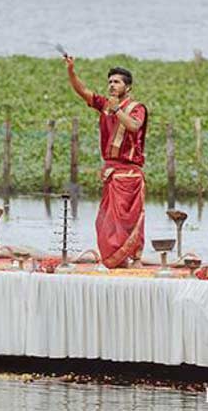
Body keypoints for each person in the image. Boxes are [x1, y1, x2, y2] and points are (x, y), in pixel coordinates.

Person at [64, 56, 148, 268]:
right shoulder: (104, 105)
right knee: (106, 221)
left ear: (127, 87)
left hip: (129, 173)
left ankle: (135, 258)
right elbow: (82, 91)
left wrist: (117, 109)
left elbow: (134, 127)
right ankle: (114, 260)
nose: (112, 85)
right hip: (111, 172)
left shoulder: (137, 107)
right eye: (110, 81)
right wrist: (71, 71)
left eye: (117, 82)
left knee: (130, 219)